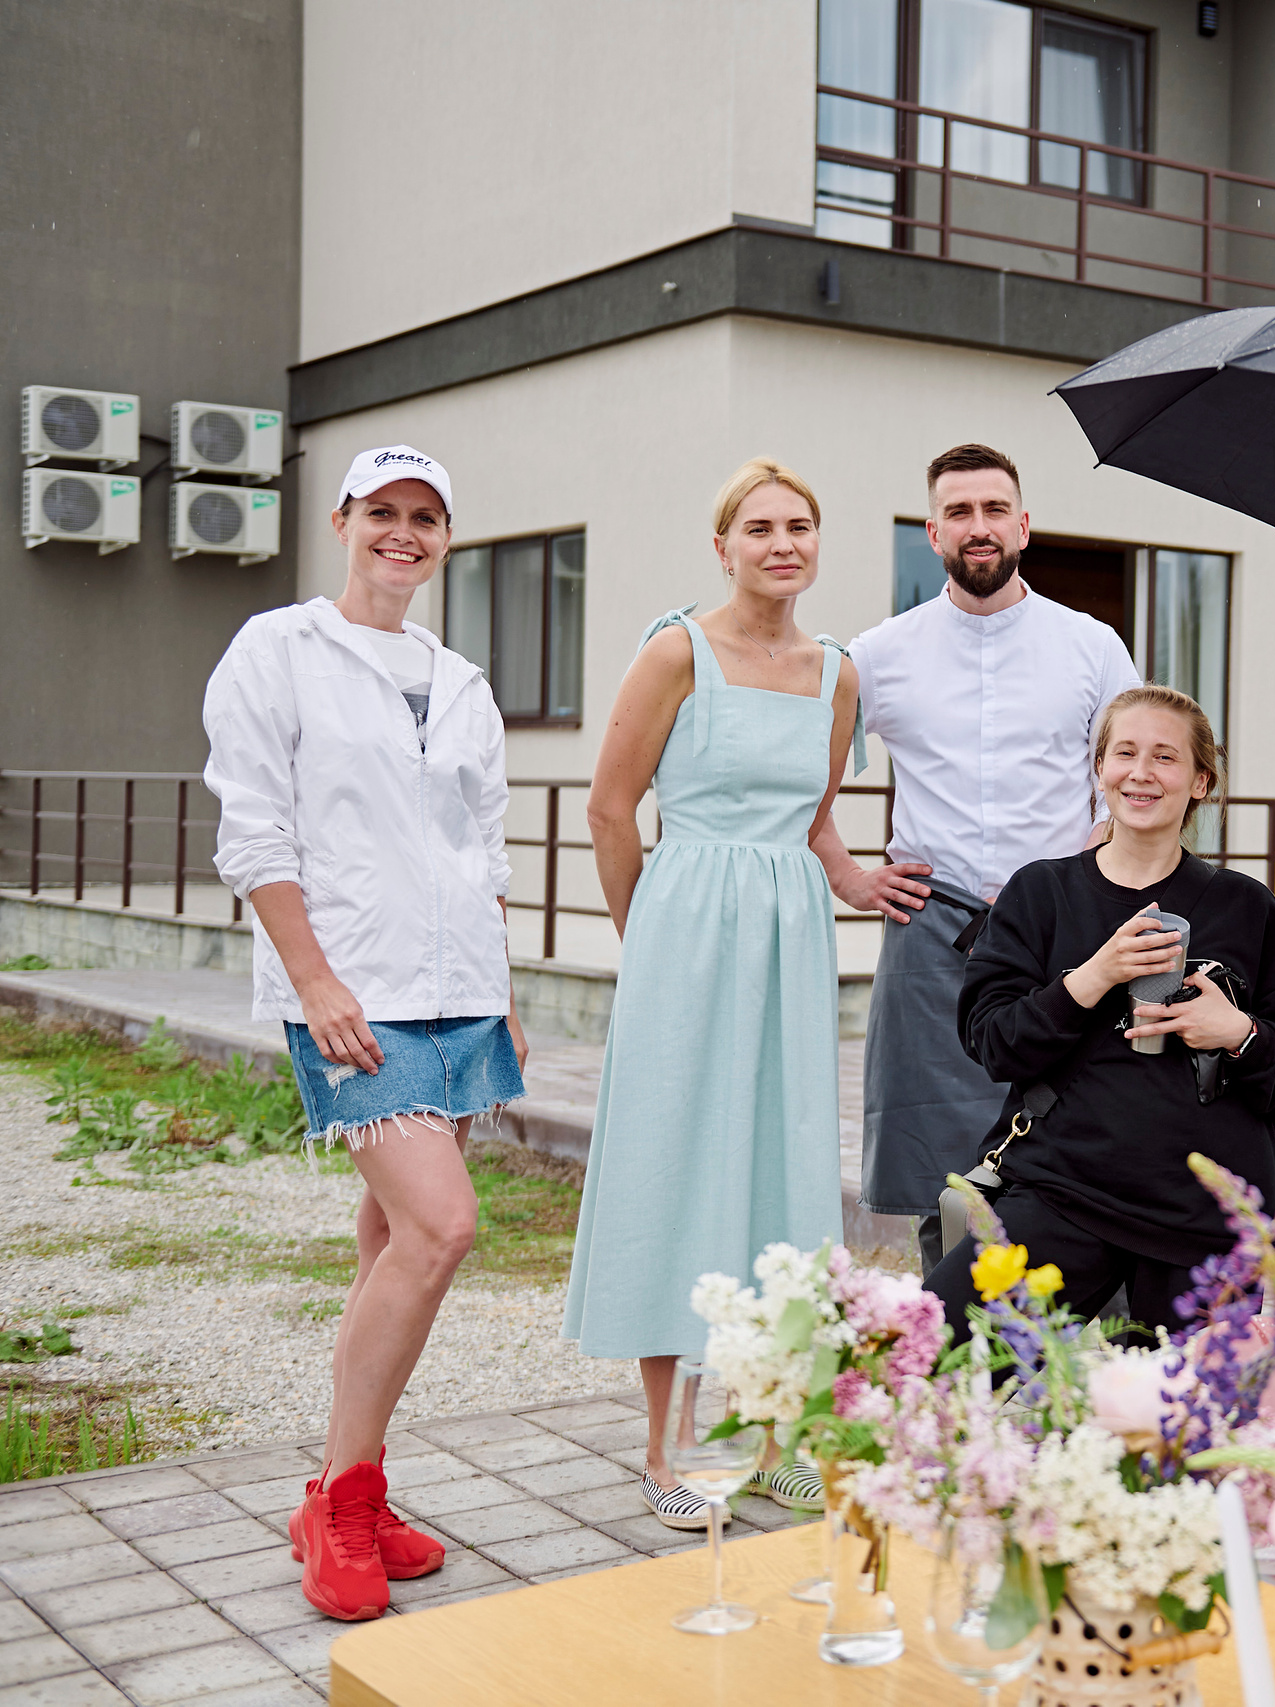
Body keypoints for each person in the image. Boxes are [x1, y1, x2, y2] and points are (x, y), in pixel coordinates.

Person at [204, 445, 529, 1621]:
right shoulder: (278, 649)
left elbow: (479, 852)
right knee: (443, 1228)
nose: (403, 532)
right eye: (382, 511)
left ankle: (353, 1480)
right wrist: (314, 982)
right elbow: (255, 832)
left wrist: (505, 996)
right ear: (342, 519)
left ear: (448, 539)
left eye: (426, 517)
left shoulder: (461, 679)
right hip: (352, 991)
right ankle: (339, 1506)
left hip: (457, 990)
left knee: (392, 1233)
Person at [564, 458, 866, 1528]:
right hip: (684, 920)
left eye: (801, 525)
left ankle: (772, 1431)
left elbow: (815, 811)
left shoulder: (837, 673)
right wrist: (643, 936)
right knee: (674, 1165)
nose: (782, 543)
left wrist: (853, 876)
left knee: (780, 1164)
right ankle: (660, 1446)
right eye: (760, 527)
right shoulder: (675, 650)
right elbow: (609, 810)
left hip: (789, 931)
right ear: (724, 543)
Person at [931, 687, 1275, 1332]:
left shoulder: (1244, 907)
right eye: (1125, 753)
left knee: (1188, 1429)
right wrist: (1092, 977)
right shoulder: (1041, 892)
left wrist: (1238, 1033)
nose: (1141, 773)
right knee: (926, 1368)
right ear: (1100, 768)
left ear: (1200, 781)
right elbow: (992, 1043)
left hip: (1205, 1220)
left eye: (1165, 757)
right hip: (1059, 1194)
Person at [853, 444, 1142, 1271]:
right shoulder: (880, 652)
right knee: (939, 1160)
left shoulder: (1092, 645)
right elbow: (808, 770)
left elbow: (1131, 771)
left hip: (1063, 930)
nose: (978, 527)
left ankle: (1067, 1338)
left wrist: (1095, 864)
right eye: (959, 512)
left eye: (993, 510)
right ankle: (949, 1339)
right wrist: (848, 871)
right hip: (930, 928)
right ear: (933, 531)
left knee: (1074, 1133)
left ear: (1023, 524)